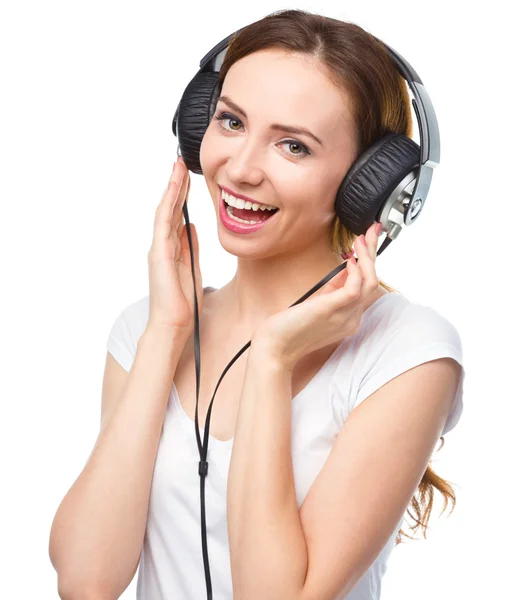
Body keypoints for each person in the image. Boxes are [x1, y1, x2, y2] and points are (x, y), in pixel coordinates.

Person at [49, 9, 464, 600]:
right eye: (230, 121)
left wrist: (272, 359)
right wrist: (166, 333)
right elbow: (86, 580)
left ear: (370, 185)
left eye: (294, 146)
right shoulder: (146, 327)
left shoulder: (408, 352)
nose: (240, 169)